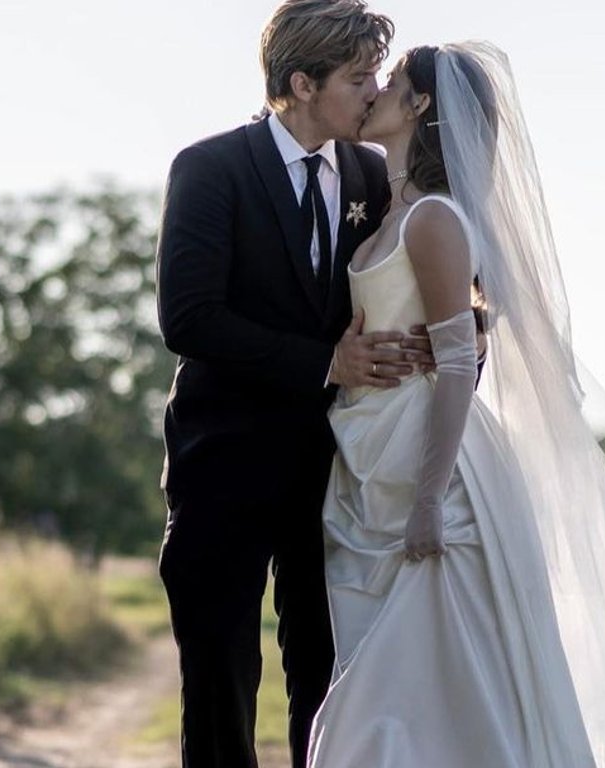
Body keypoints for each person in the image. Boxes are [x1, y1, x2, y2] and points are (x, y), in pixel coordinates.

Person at [307, 42, 605, 767]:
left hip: (433, 473)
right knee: (410, 697)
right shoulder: (388, 210)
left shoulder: (433, 219)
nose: (374, 92)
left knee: (404, 705)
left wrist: (429, 498)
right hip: (370, 460)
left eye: (391, 81)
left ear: (421, 103)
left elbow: (457, 363)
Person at [153, 2, 429, 766]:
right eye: (358, 77)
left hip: (334, 475)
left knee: (328, 681)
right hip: (221, 468)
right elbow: (189, 316)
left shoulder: (373, 173)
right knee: (219, 683)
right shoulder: (210, 168)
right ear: (303, 84)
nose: (374, 92)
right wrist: (324, 364)